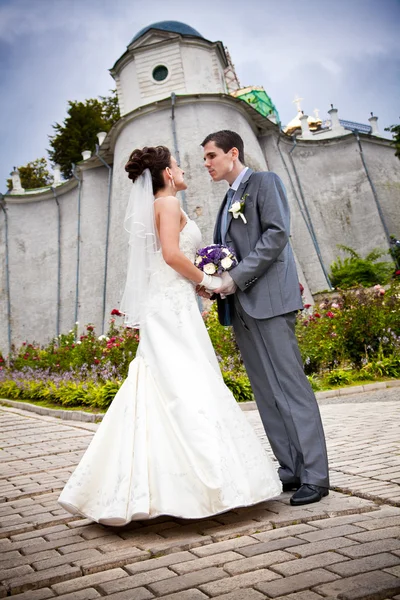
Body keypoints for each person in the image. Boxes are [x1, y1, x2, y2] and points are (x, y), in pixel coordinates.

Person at [58, 145, 281, 525]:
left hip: (174, 302)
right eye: (176, 165)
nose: (182, 169)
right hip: (171, 309)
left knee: (172, 384)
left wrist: (196, 281)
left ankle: (154, 485)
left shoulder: (162, 206)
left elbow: (173, 258)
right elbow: (171, 256)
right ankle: (207, 484)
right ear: (164, 174)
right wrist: (209, 279)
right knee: (186, 385)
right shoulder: (166, 204)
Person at [201, 130, 329, 506]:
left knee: (291, 388)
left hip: (269, 300)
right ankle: (290, 468)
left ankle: (316, 476)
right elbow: (228, 251)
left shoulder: (264, 182)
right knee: (265, 391)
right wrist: (212, 281)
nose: (206, 163)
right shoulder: (227, 201)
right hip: (241, 307)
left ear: (232, 153)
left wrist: (234, 279)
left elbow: (276, 236)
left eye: (211, 156)